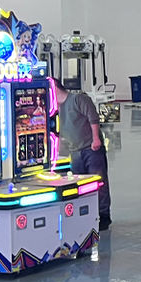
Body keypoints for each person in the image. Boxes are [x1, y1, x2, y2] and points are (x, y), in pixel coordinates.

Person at [51, 78, 111, 230]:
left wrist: (96, 139)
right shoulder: (54, 109)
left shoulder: (78, 99)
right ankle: (86, 215)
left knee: (99, 181)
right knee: (80, 184)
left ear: (55, 88)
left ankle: (103, 215)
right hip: (75, 151)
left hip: (91, 148)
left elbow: (93, 118)